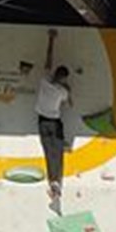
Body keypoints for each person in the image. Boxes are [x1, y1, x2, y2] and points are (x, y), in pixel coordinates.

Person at [35, 29, 72, 212]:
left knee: (48, 151)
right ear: (63, 78)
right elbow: (70, 103)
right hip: (55, 123)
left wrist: (51, 40)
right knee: (56, 154)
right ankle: (55, 183)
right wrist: (68, 88)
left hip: (42, 121)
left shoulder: (45, 81)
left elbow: (48, 60)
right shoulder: (62, 91)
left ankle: (53, 182)